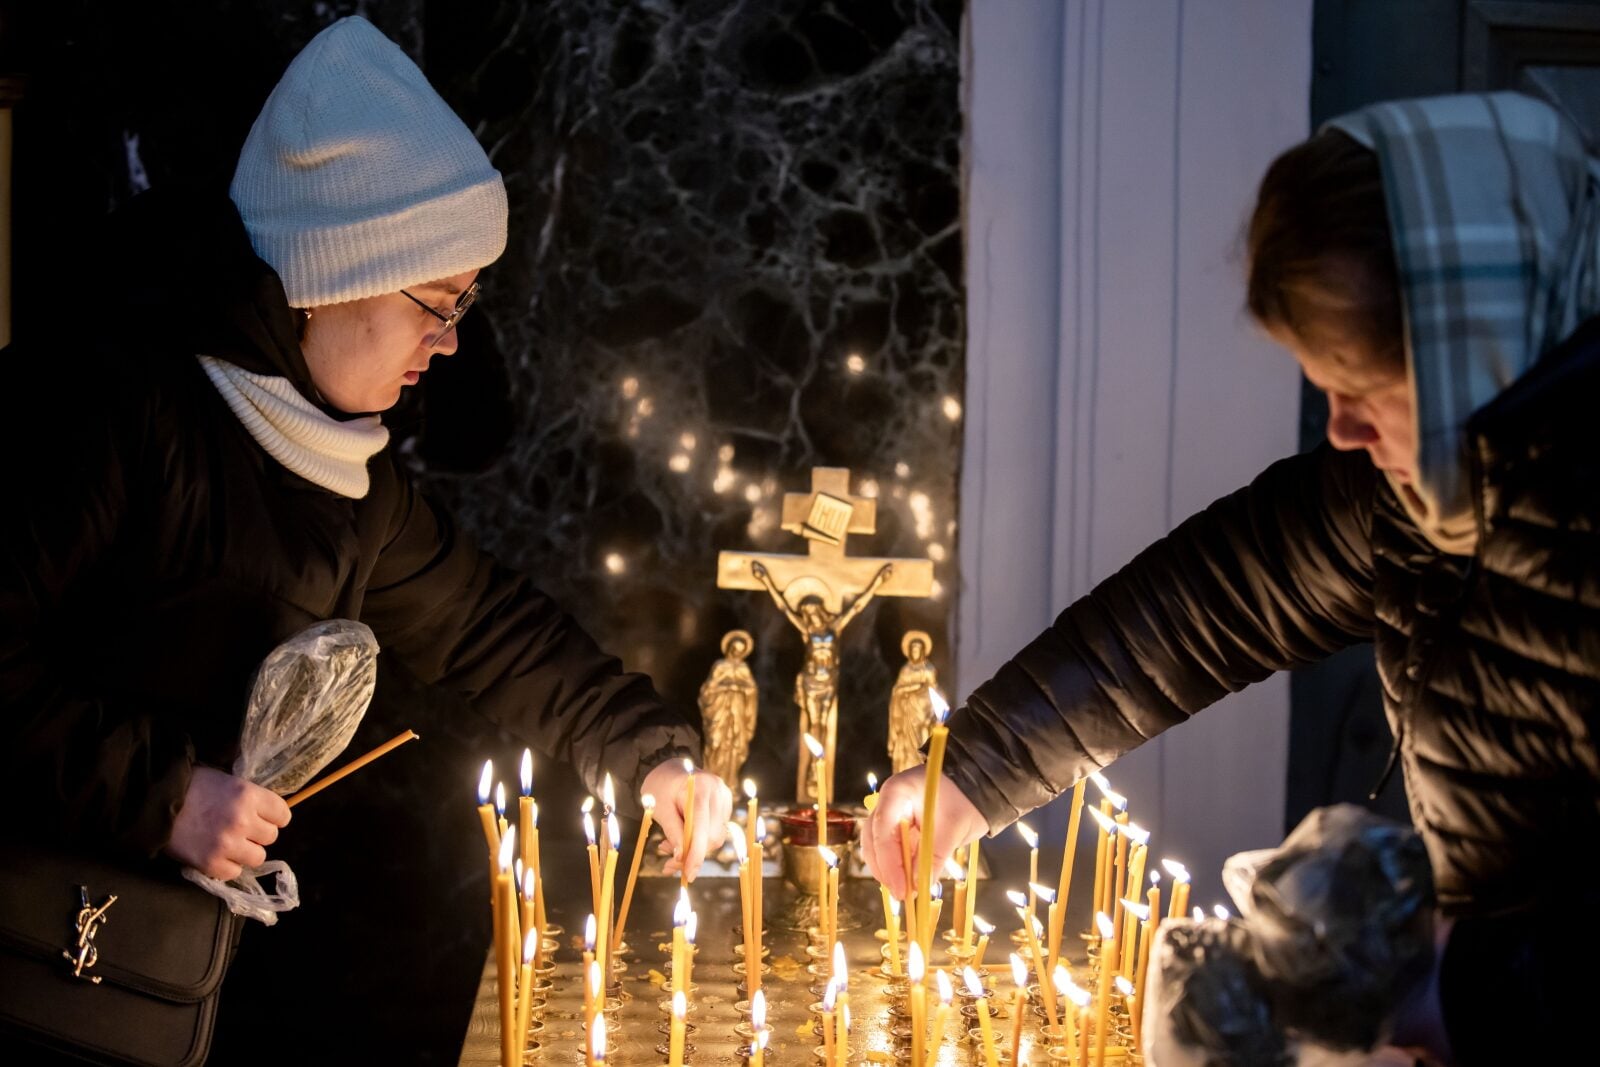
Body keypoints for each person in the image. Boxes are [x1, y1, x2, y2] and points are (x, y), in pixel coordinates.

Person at [0, 15, 730, 1057]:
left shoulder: (343, 468)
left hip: (144, 981)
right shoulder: (112, 404)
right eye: (435, 300)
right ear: (331, 269)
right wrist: (161, 796)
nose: (449, 340)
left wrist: (649, 755)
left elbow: (485, 625)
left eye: (466, 302)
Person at [861, 91, 1598, 1064]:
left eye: (1369, 388)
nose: (1340, 428)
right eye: (1323, 387)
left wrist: (1458, 987)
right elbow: (1211, 602)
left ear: (1479, 343)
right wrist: (978, 768)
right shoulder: (1416, 485)